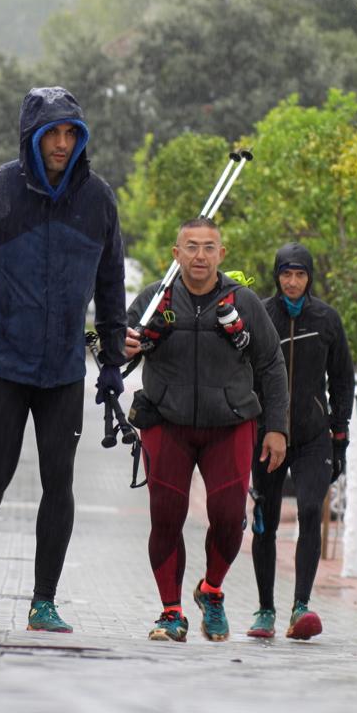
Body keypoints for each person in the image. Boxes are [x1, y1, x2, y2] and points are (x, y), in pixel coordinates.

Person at [0, 86, 127, 634]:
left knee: (59, 482)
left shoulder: (98, 200)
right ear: (32, 138)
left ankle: (44, 601)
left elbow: (111, 283)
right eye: (53, 135)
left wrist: (111, 362)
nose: (62, 144)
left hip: (64, 369)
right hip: (1, 364)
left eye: (71, 134)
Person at [121, 219, 288, 643]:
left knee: (231, 518)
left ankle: (211, 591)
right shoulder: (154, 299)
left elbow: (271, 365)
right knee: (166, 518)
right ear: (175, 253)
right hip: (166, 420)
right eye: (191, 247)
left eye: (208, 247)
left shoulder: (243, 301)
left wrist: (277, 429)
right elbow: (114, 347)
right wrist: (122, 344)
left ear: (221, 254)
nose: (199, 256)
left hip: (230, 423)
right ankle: (170, 612)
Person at [249, 242, 355, 640]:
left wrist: (339, 435)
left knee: (311, 509)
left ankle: (300, 608)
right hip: (267, 434)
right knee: (266, 521)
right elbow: (243, 373)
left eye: (300, 275)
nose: (292, 282)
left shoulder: (326, 319)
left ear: (310, 278)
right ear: (276, 276)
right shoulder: (260, 314)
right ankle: (264, 610)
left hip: (313, 436)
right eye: (286, 274)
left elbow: (343, 379)